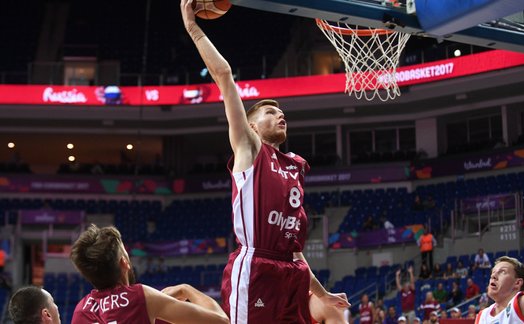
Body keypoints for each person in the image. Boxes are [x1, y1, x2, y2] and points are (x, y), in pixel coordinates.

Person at [179, 1, 349, 323]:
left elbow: (295, 250)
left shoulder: (296, 165)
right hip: (256, 267)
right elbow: (224, 75)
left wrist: (322, 294)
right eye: (271, 112)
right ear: (252, 126)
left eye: (281, 112)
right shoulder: (250, 146)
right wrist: (193, 28)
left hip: (292, 270)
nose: (280, 114)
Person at [69, 224, 228, 323]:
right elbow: (221, 321)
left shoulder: (80, 311)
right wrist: (186, 289)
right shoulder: (141, 296)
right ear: (125, 263)